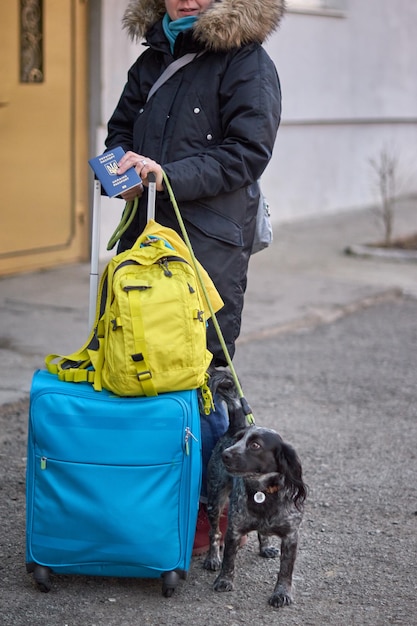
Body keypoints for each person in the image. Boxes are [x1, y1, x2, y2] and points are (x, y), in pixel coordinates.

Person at [105, 0, 285, 554]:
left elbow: (247, 153)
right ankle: (147, 501)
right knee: (137, 363)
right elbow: (120, 132)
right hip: (146, 238)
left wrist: (168, 175)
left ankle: (212, 515)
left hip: (210, 244)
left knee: (204, 372)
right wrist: (119, 174)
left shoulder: (247, 62)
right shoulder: (154, 56)